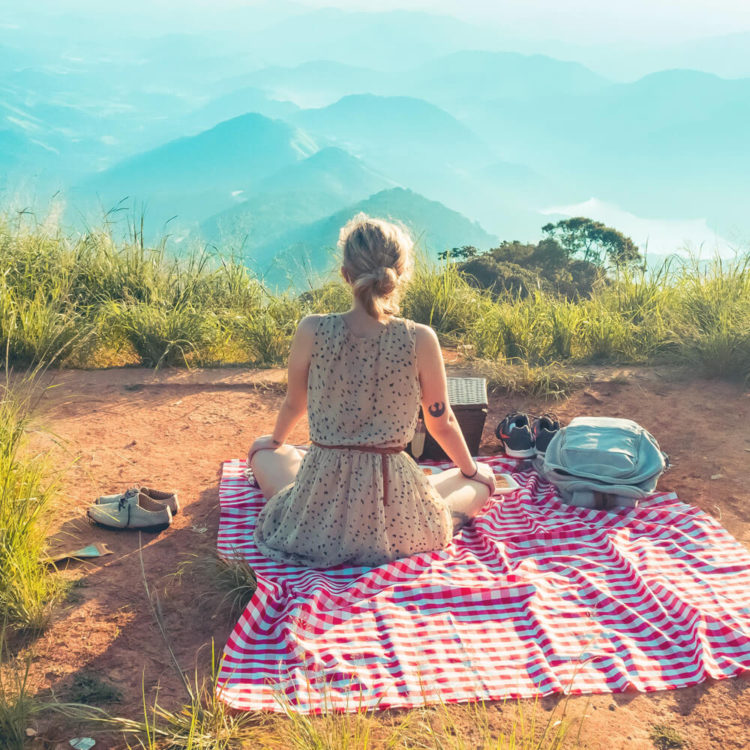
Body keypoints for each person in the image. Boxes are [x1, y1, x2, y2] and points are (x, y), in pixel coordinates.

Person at [248, 213, 496, 568]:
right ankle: (469, 481)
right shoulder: (420, 338)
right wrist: (472, 470)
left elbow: (294, 403)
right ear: (399, 275)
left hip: (321, 503)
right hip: (395, 508)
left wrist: (274, 440)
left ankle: (293, 463)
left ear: (345, 274)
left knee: (265, 454)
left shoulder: (311, 330)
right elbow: (442, 423)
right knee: (476, 480)